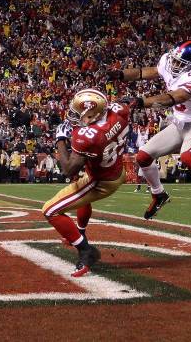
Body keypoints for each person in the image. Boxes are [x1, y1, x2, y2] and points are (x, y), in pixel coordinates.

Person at [108, 40, 191, 219]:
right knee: (143, 157)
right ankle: (158, 194)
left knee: (187, 157)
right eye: (174, 60)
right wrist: (121, 74)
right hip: (178, 124)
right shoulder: (168, 60)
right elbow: (145, 72)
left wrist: (141, 102)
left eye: (179, 63)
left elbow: (172, 98)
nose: (174, 64)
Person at [42, 88, 130, 277]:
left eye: (79, 114)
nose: (74, 117)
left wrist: (60, 139)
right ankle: (80, 231)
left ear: (93, 115)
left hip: (100, 181)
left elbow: (68, 169)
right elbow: (130, 104)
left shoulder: (88, 136)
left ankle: (85, 250)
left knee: (50, 210)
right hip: (117, 169)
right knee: (79, 185)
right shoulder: (120, 111)